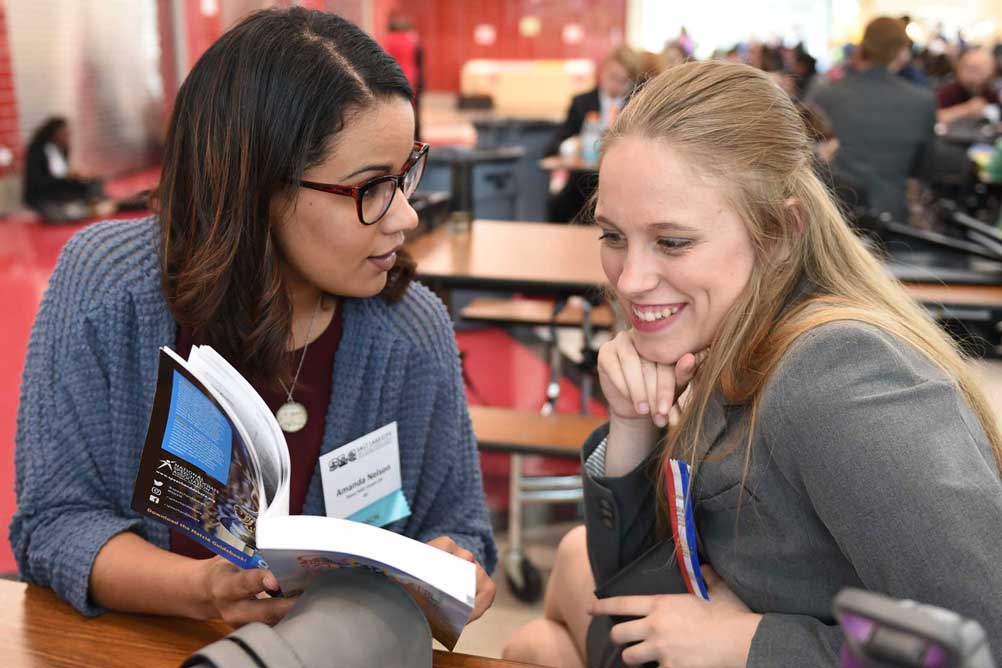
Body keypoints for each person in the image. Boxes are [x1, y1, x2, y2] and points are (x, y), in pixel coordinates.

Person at [503, 60, 1002, 667]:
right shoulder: (732, 330)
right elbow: (634, 574)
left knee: (540, 640)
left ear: (781, 233)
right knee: (546, 623)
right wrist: (633, 424)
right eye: (612, 236)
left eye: (673, 242)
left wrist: (750, 644)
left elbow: (983, 642)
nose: (629, 281)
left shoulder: (839, 376)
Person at [11, 8, 496, 629]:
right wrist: (200, 590)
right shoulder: (110, 289)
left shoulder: (410, 329)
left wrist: (450, 572)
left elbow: (463, 531)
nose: (406, 217)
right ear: (258, 189)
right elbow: (54, 524)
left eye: (405, 176)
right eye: (371, 187)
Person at [807, 16, 936, 221]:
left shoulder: (825, 95)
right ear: (901, 52)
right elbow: (924, 168)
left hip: (831, 217)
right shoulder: (922, 101)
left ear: (864, 46)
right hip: (892, 219)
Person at [544, 45, 640, 223]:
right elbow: (552, 146)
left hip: (623, 183)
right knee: (556, 205)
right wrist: (573, 145)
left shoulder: (637, 105)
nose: (616, 85)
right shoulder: (581, 102)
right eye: (613, 77)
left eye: (624, 80)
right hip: (582, 183)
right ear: (602, 72)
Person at [22, 116, 110, 221]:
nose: (67, 136)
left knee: (94, 181)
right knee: (64, 216)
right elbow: (39, 180)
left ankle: (93, 204)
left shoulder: (63, 148)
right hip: (45, 194)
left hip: (61, 188)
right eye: (64, 133)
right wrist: (66, 177)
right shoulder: (37, 151)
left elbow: (64, 171)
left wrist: (78, 175)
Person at [936, 48, 1000, 125]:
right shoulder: (948, 92)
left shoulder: (990, 92)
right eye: (968, 68)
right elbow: (934, 117)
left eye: (977, 70)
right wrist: (966, 109)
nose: (971, 75)